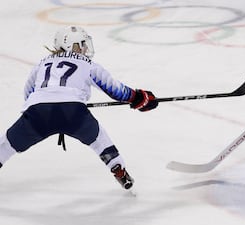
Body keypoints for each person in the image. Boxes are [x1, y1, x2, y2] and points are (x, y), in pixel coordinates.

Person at [0, 26, 158, 190]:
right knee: (99, 139)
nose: (84, 48)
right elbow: (115, 90)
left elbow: (28, 92)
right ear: (69, 45)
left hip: (38, 113)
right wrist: (139, 97)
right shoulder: (87, 63)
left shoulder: (42, 63)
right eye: (81, 44)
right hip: (73, 113)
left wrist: (42, 110)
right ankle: (117, 168)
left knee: (5, 144)